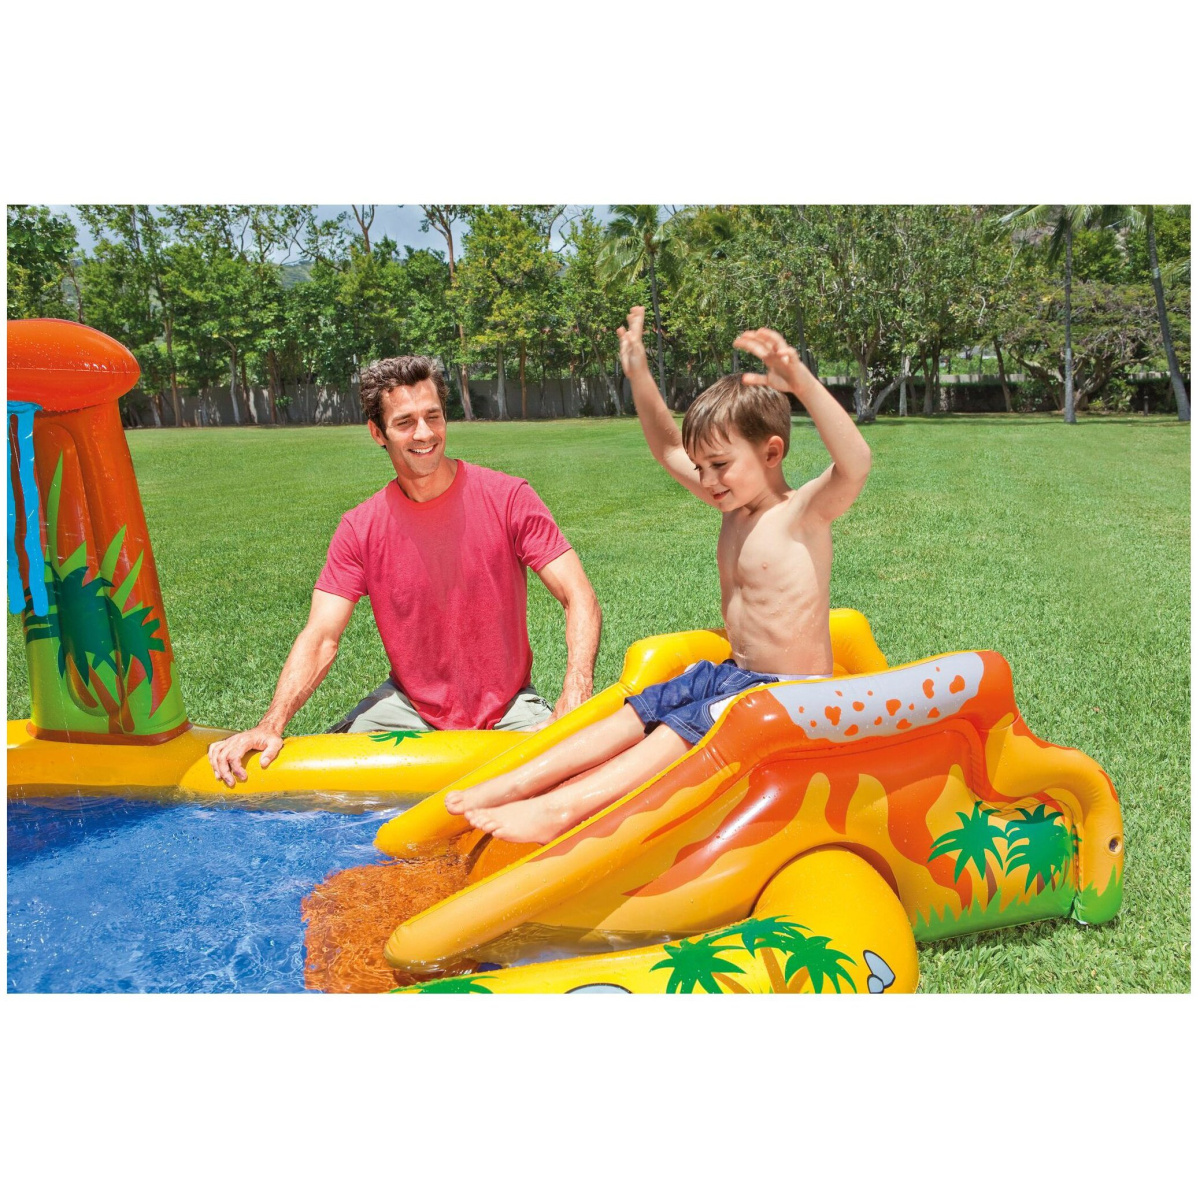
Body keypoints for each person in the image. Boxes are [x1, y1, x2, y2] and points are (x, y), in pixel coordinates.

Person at [445, 306, 872, 843]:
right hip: (736, 676)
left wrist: (802, 383)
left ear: (771, 452)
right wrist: (639, 374)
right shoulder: (732, 504)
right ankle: (515, 783)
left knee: (673, 732)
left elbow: (856, 462)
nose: (708, 480)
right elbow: (669, 447)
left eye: (720, 465)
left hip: (789, 696)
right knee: (635, 713)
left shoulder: (801, 513)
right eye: (703, 468)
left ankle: (561, 810)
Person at [208, 355, 601, 787]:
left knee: (578, 778)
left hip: (508, 708)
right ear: (377, 432)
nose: (425, 433)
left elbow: (577, 595)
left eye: (433, 416)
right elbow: (321, 636)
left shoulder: (508, 498)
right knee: (317, 792)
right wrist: (271, 723)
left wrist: (576, 691)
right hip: (408, 708)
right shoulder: (360, 528)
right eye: (405, 422)